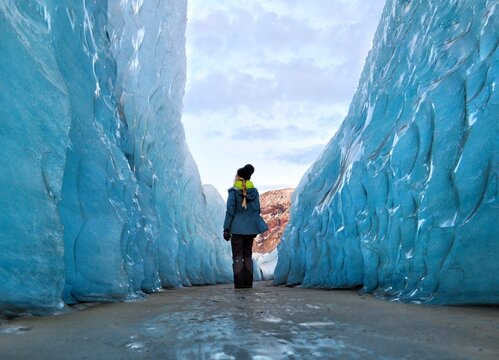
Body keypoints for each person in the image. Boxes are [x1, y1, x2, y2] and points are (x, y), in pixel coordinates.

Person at [223, 164, 268, 289]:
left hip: (237, 229)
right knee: (247, 256)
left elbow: (230, 211)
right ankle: (248, 284)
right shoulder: (254, 192)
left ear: (239, 177)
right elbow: (257, 210)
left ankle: (240, 284)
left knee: (238, 256)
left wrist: (226, 228)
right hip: (250, 230)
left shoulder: (233, 192)